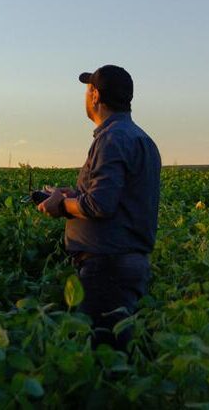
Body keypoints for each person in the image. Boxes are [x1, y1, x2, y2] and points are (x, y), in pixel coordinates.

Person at [37, 64, 161, 351]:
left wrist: (61, 205)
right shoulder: (141, 138)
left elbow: (99, 204)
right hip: (126, 262)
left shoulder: (112, 138)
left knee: (105, 356)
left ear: (95, 95)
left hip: (108, 265)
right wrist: (70, 193)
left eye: (87, 89)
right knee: (119, 351)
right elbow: (117, 196)